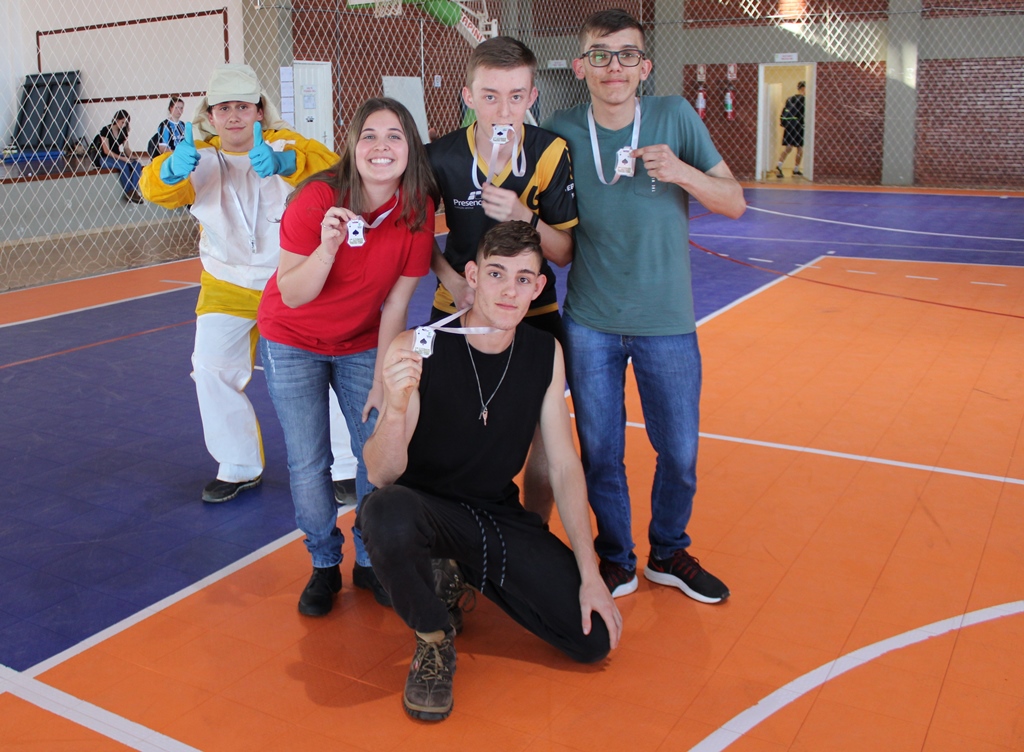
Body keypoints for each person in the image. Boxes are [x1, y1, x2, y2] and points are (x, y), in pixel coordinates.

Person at [358, 221, 621, 722]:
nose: (508, 290)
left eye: (523, 279)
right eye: (497, 274)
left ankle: (457, 572)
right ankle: (434, 636)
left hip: (494, 516)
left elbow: (563, 465)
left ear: (538, 288)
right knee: (383, 511)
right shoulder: (419, 345)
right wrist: (395, 409)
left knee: (593, 641)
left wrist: (590, 575)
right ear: (473, 276)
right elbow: (380, 474)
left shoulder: (544, 353)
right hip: (424, 510)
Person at [544, 9, 746, 603]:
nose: (614, 67)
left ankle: (668, 550)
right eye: (601, 55)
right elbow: (554, 233)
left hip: (667, 322)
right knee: (601, 453)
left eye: (627, 55)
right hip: (591, 322)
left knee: (679, 452)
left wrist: (681, 172)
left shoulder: (674, 115)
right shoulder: (560, 130)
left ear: (644, 66)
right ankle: (616, 557)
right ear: (580, 66)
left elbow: (733, 201)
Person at [257, 97, 439, 616]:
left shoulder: (417, 208)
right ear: (353, 146)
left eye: (394, 136)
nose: (382, 146)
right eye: (369, 136)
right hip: (293, 339)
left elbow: (397, 304)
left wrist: (382, 378)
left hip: (361, 341)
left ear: (410, 148)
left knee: (376, 451)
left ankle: (370, 557)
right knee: (308, 461)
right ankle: (322, 563)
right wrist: (327, 248)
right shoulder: (317, 199)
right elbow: (293, 293)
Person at [140, 64, 354, 505]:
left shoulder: (286, 144)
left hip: (292, 279)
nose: (234, 116)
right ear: (210, 115)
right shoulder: (195, 156)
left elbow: (336, 172)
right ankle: (238, 464)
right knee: (210, 368)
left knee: (321, 369)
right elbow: (153, 189)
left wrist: (288, 165)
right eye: (224, 108)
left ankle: (347, 466)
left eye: (243, 106)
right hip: (225, 282)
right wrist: (170, 171)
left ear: (259, 110)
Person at [426, 35, 578, 522]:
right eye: (490, 96)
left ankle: (534, 532)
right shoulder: (441, 155)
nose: (504, 110)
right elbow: (415, 237)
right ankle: (450, 535)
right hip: (457, 308)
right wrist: (454, 281)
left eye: (516, 96)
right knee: (442, 428)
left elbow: (564, 253)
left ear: (533, 96)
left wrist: (523, 214)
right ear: (468, 96)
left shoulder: (549, 151)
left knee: (543, 435)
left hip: (531, 312)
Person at [95, 110, 143, 203]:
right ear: (116, 120)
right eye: (122, 122)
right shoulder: (106, 130)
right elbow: (106, 151)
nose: (124, 125)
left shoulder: (123, 131)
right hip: (105, 158)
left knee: (137, 165)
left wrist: (132, 156)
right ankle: (130, 192)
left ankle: (133, 191)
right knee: (123, 166)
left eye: (126, 123)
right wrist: (123, 158)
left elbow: (126, 148)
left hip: (117, 156)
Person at [776, 81, 805, 177]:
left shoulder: (790, 99)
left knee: (788, 148)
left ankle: (779, 166)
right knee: (800, 148)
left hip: (789, 126)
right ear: (803, 88)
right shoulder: (804, 100)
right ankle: (796, 169)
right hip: (799, 126)